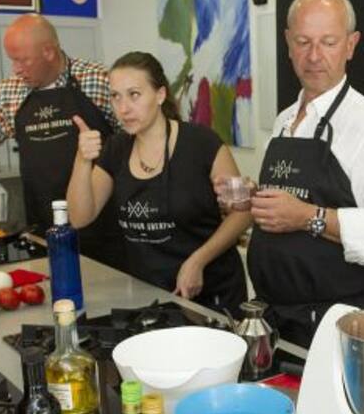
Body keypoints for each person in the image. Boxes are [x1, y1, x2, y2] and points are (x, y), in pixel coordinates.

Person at [245, 0, 364, 347]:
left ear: (351, 45)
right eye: (304, 42)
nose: (314, 56)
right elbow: (286, 200)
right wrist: (253, 200)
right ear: (288, 43)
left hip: (329, 324)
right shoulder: (284, 120)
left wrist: (308, 216)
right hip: (273, 316)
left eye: (329, 42)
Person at [0, 14, 124, 269]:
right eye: (12, 60)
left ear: (49, 52)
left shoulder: (98, 81)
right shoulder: (12, 91)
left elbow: (133, 135)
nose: (16, 69)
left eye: (22, 60)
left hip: (105, 225)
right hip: (44, 228)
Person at [66, 52, 250, 310]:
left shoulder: (203, 143)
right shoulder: (116, 149)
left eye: (134, 95)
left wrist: (198, 260)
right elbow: (79, 217)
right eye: (115, 96)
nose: (123, 108)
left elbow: (243, 212)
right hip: (149, 295)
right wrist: (82, 160)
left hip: (212, 295)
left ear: (160, 95)